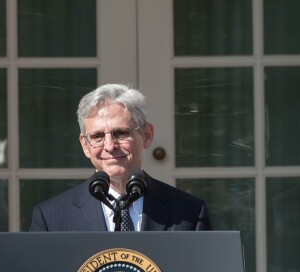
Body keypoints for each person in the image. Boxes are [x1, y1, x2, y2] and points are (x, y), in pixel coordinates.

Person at [30, 83, 212, 232]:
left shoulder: (191, 212)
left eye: (121, 133)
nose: (110, 146)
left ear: (147, 135)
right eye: (97, 136)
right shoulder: (50, 218)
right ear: (85, 145)